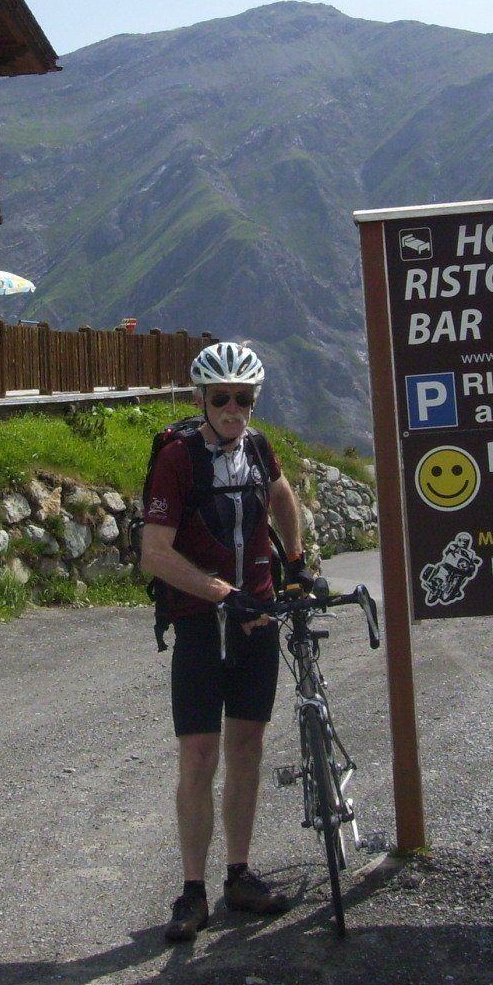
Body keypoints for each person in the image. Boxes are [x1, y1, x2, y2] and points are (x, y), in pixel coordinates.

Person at [139, 340, 307, 943]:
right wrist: (220, 593)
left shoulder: (258, 447)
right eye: (221, 399)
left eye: (244, 398)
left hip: (256, 619)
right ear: (201, 400)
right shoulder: (177, 459)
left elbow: (282, 495)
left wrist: (295, 561)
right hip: (198, 623)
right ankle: (192, 891)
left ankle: (238, 875)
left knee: (247, 746)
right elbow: (155, 554)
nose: (234, 409)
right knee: (199, 755)